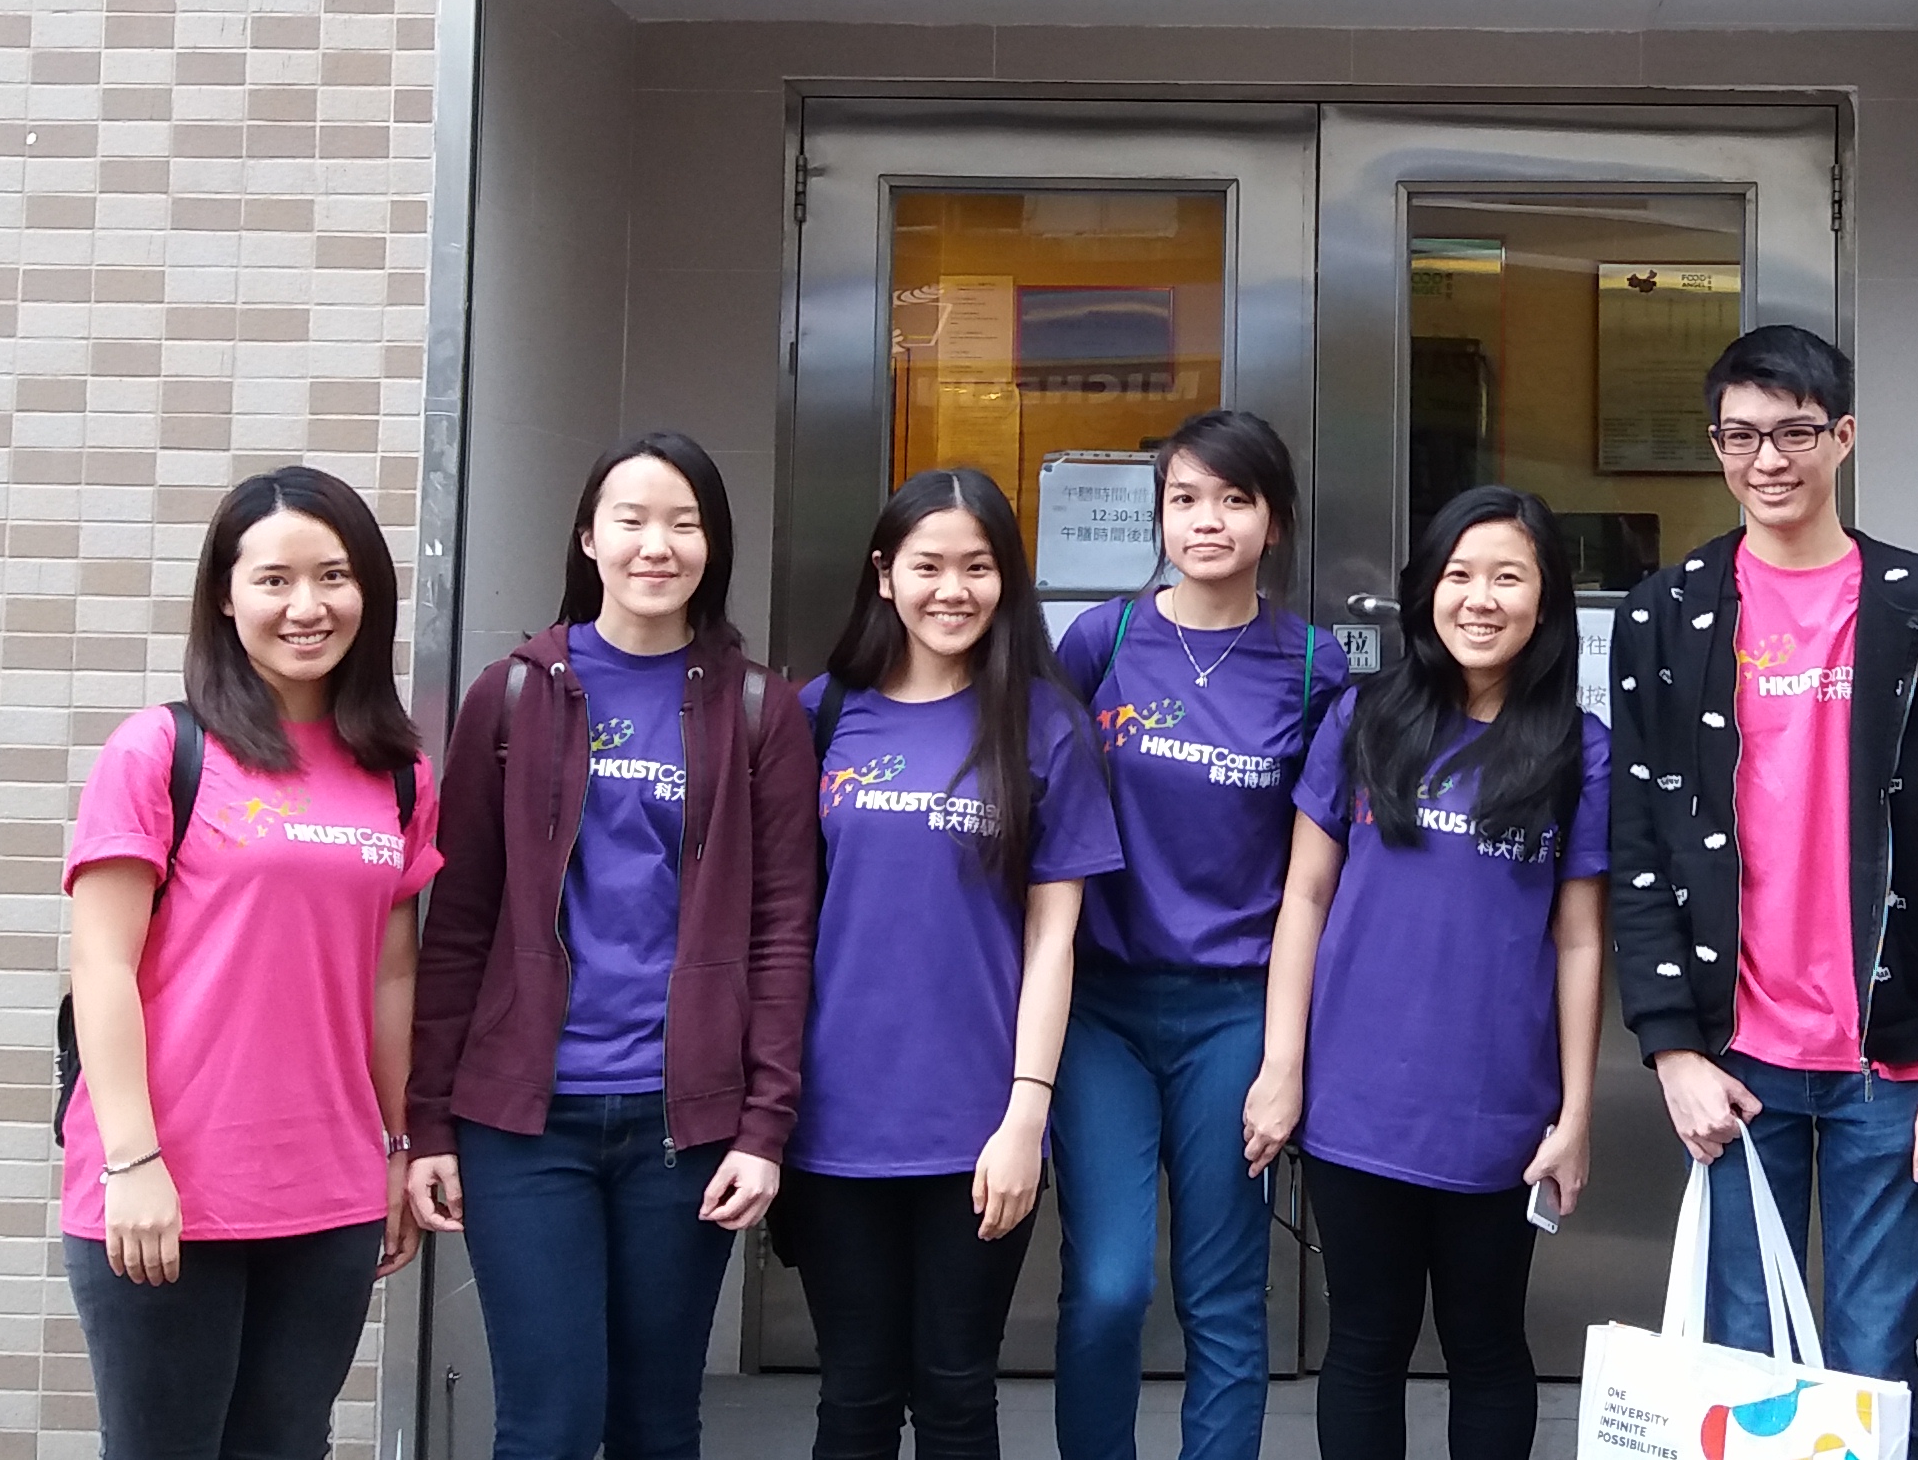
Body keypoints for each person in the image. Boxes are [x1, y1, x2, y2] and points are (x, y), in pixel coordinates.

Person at [1609, 323, 1918, 1450]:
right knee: (1745, 1358)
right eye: (1741, 436)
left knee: (1875, 1361)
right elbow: (1638, 840)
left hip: (1891, 1059)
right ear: (1717, 446)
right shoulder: (1667, 612)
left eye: (1793, 432)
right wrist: (1671, 1047)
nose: (1768, 460)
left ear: (1842, 437)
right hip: (1738, 1056)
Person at [402, 431, 822, 1460]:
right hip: (522, 1123)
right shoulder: (508, 697)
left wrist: (765, 1128)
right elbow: (458, 927)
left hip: (684, 1127)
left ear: (713, 546)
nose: (656, 544)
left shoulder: (759, 708)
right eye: (631, 519)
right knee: (545, 1424)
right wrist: (429, 1124)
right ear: (588, 537)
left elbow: (781, 934)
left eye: (683, 522)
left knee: (654, 1424)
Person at [59, 465, 438, 1460]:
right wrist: (132, 1163)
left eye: (334, 576)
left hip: (327, 1194)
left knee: (286, 1445)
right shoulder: (158, 752)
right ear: (225, 597)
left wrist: (396, 1149)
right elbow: (101, 967)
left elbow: (389, 972)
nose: (307, 606)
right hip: (167, 1189)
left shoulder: (396, 774)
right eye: (274, 580)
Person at [1250, 485, 1609, 1460]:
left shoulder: (1580, 751)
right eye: (1459, 574)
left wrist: (1575, 1114)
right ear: (1426, 593)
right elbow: (1305, 900)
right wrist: (1284, 1066)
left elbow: (1580, 940)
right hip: (1358, 1104)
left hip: (1499, 1113)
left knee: (1488, 1342)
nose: (1479, 598)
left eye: (1507, 577)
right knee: (1364, 1342)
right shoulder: (1361, 721)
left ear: (1544, 603)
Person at [785, 468, 1125, 1460]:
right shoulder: (823, 715)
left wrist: (1026, 1116)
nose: (952, 589)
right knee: (852, 1394)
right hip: (834, 1119)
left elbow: (1053, 937)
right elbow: (781, 919)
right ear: (884, 575)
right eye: (927, 565)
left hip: (976, 1125)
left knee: (955, 1392)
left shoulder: (1044, 724)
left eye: (978, 567)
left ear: (1007, 582)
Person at [1048, 411, 1349, 1460]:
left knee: (1223, 1296)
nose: (1207, 521)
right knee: (1108, 1283)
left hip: (1234, 1011)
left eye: (1234, 499)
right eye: (1184, 500)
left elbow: (1323, 879)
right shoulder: (1106, 641)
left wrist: (1286, 1058)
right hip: (1102, 1012)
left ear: (1276, 521)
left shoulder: (1314, 670)